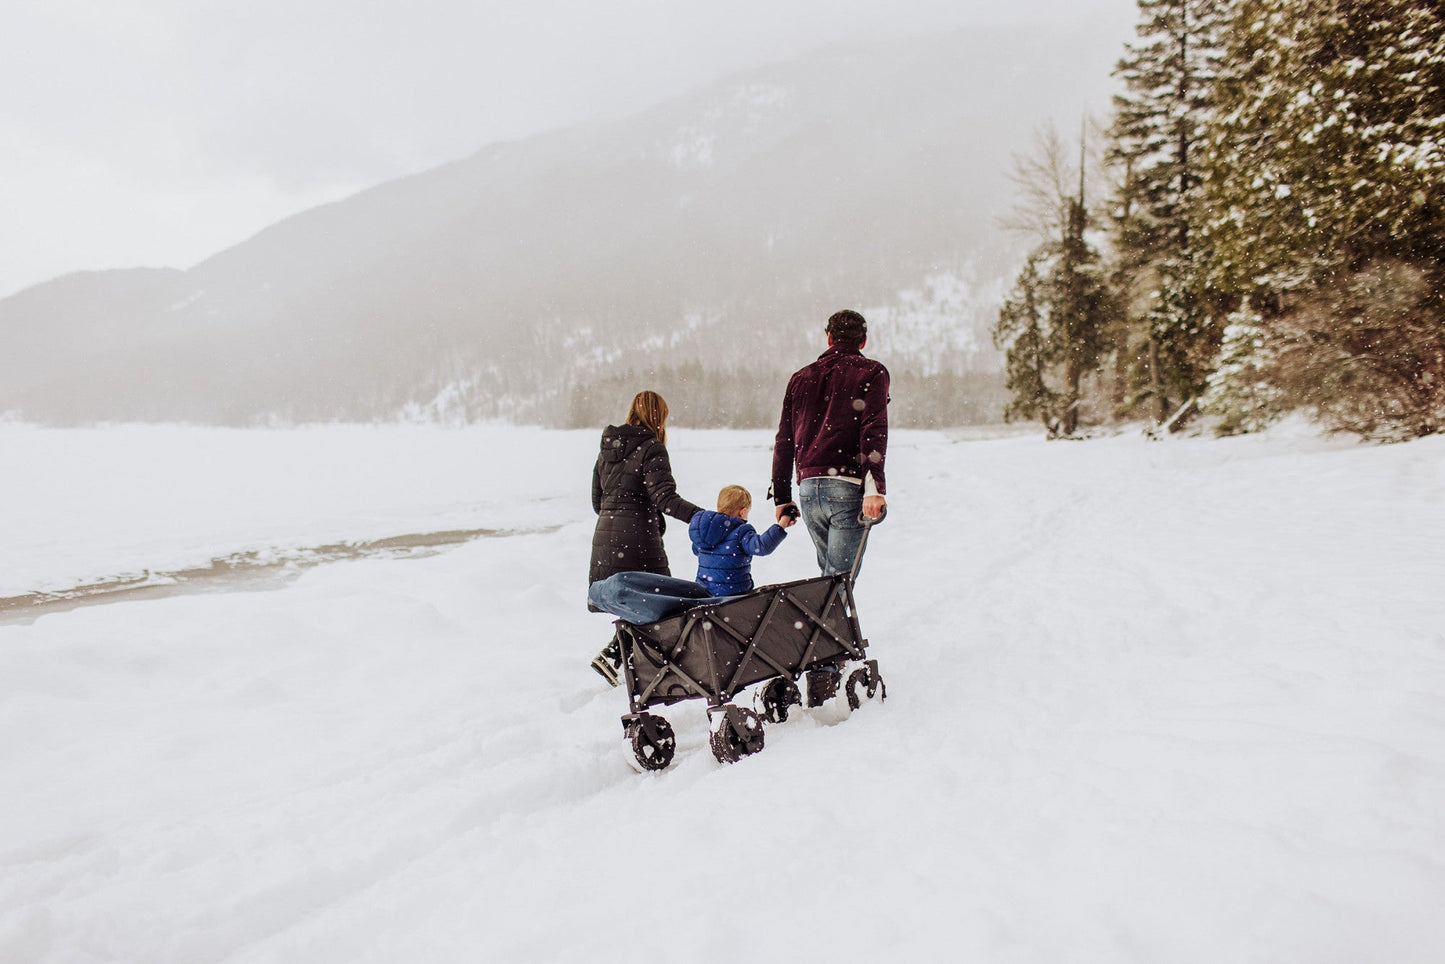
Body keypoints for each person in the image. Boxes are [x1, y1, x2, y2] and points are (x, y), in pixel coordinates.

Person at [587, 390, 703, 684]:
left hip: (606, 539)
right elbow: (665, 498)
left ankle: (618, 658)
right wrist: (704, 517)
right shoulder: (651, 448)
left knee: (634, 602)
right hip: (638, 539)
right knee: (664, 603)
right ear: (658, 417)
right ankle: (628, 661)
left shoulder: (607, 448)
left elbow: (596, 500)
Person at [771, 309, 890, 580]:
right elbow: (873, 430)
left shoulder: (800, 378)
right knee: (838, 585)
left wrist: (781, 496)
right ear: (863, 341)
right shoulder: (873, 372)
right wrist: (874, 488)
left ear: (828, 338)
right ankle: (820, 623)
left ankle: (819, 623)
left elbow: (784, 439)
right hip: (846, 488)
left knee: (829, 582)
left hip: (809, 490)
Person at [689, 484, 794, 597]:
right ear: (742, 512)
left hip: (705, 595)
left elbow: (696, 550)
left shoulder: (706, 531)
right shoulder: (740, 532)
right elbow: (762, 546)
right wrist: (782, 524)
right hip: (734, 597)